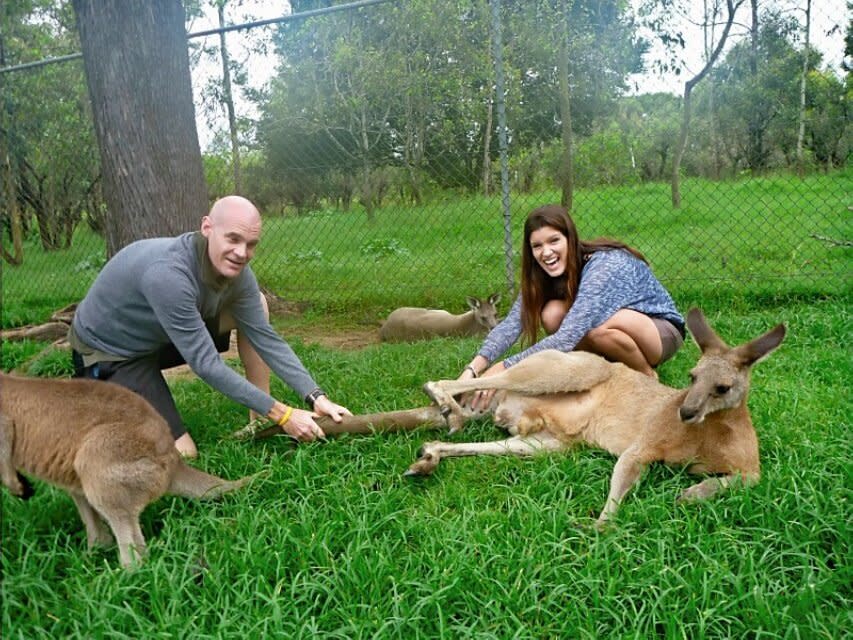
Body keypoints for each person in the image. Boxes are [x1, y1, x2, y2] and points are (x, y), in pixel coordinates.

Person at [69, 195, 351, 458]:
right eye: (233, 239)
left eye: (251, 244)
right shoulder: (169, 275)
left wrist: (315, 396)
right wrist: (285, 414)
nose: (242, 253)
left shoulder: (238, 273)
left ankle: (258, 415)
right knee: (183, 453)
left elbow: (267, 339)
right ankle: (97, 414)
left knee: (258, 307)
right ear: (207, 227)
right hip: (112, 354)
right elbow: (206, 365)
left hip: (157, 334)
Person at [461, 204, 684, 410]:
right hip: (610, 329)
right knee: (552, 314)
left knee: (600, 330)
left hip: (660, 331)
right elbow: (510, 325)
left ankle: (646, 376)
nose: (546, 252)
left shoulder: (603, 265)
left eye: (554, 241)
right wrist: (473, 369)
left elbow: (567, 338)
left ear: (570, 238)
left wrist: (502, 372)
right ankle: (599, 376)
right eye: (537, 246)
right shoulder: (540, 275)